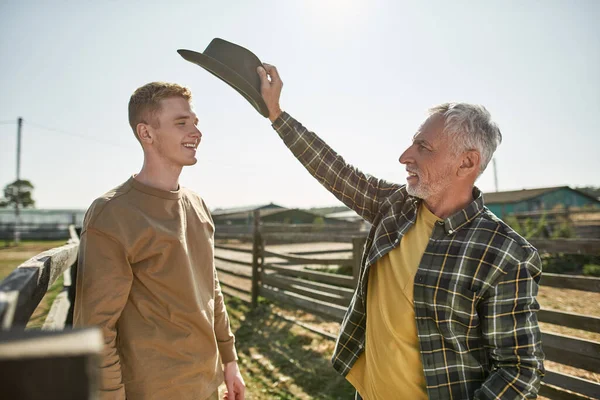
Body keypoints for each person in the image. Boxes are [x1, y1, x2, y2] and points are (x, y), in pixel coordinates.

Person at [256, 64, 545, 399]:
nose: (404, 157)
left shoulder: (505, 253)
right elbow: (335, 171)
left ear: (466, 163)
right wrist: (277, 114)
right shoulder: (396, 206)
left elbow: (520, 371)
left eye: (424, 147)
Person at [74, 82, 245, 400]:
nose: (196, 131)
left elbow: (211, 288)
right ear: (146, 133)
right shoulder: (112, 213)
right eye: (182, 123)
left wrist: (230, 361)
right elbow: (96, 326)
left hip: (206, 385)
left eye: (195, 122)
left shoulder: (198, 205)